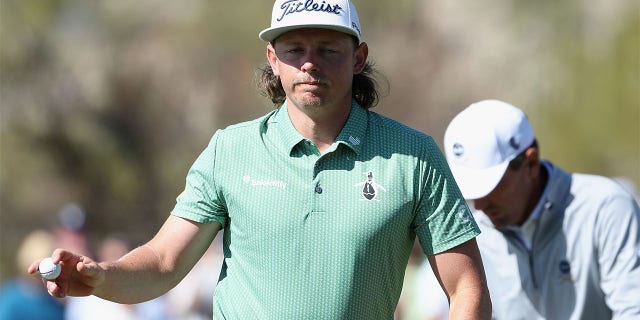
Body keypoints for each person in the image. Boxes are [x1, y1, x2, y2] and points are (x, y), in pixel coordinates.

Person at [29, 1, 492, 318]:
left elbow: (467, 288)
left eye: (329, 50)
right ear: (272, 58)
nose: (310, 64)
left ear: (358, 58)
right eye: (295, 50)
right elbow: (164, 261)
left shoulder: (412, 155)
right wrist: (100, 277)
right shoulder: (230, 150)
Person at [443, 99, 640, 319]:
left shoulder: (605, 206)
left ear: (531, 163)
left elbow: (633, 310)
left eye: (491, 187)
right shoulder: (474, 231)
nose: (479, 205)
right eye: (471, 192)